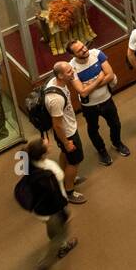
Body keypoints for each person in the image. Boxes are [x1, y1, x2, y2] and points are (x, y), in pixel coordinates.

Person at [20, 136, 78, 270]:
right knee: (60, 234)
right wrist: (65, 211)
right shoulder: (50, 169)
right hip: (53, 209)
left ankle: (62, 244)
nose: (49, 143)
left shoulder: (29, 165)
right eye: (47, 145)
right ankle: (44, 266)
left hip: (40, 210)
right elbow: (57, 194)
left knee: (52, 229)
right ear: (43, 154)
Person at [68, 39, 130, 166]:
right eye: (79, 50)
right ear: (73, 55)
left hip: (106, 100)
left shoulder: (97, 54)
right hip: (89, 106)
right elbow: (82, 92)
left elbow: (110, 75)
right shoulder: (71, 68)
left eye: (83, 46)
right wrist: (100, 78)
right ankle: (102, 151)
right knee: (93, 129)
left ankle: (117, 143)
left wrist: (89, 85)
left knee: (115, 124)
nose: (84, 49)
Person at [45, 62, 87, 204]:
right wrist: (67, 142)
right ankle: (69, 191)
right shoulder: (55, 99)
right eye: (69, 71)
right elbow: (57, 125)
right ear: (60, 75)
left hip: (67, 129)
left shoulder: (56, 81)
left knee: (66, 154)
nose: (73, 72)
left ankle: (63, 178)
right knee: (75, 161)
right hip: (67, 132)